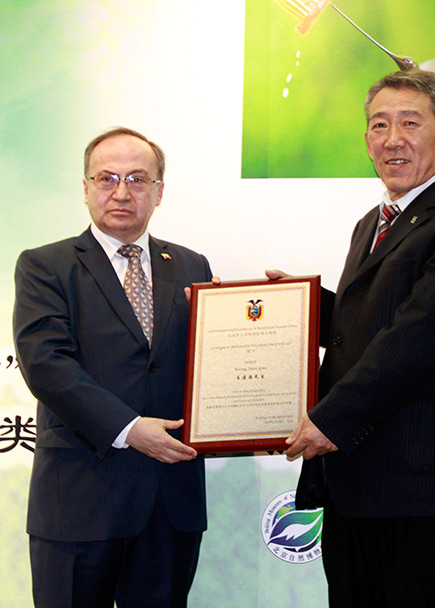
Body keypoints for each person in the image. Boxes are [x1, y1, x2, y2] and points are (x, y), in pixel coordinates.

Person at [271, 70, 435, 607]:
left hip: (419, 484)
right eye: (379, 124)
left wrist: (329, 419)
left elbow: (417, 339)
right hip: (356, 481)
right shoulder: (371, 223)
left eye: (409, 123)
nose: (391, 138)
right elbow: (369, 326)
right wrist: (300, 311)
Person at [13, 127, 212, 607]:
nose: (121, 192)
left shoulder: (192, 266)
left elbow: (210, 364)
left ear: (159, 192)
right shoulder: (45, 266)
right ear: (86, 188)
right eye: (107, 178)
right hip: (81, 499)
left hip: (170, 502)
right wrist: (128, 428)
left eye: (138, 179)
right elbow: (46, 363)